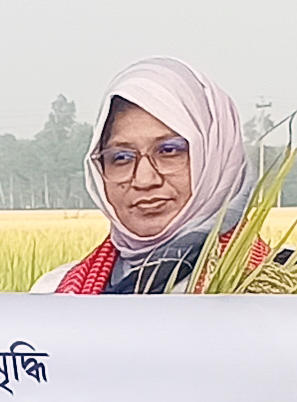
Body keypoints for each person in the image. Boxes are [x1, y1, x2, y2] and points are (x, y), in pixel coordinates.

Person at [31, 58, 259, 294]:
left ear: (216, 159)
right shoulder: (56, 294)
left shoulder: (271, 292)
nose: (144, 180)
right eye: (121, 157)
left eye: (169, 151)